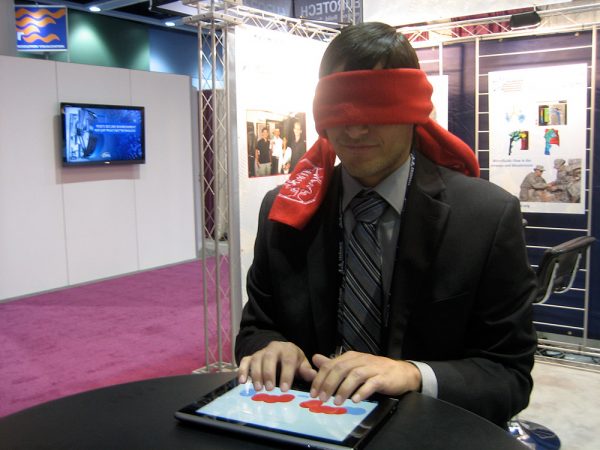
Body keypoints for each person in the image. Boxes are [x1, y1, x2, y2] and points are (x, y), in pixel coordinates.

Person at [235, 22, 537, 428]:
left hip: (427, 432)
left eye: (376, 109)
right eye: (339, 108)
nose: (355, 128)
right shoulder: (286, 212)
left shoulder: (485, 218)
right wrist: (271, 347)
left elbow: (509, 375)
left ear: (413, 110)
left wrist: (414, 375)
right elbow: (257, 323)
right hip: (310, 425)